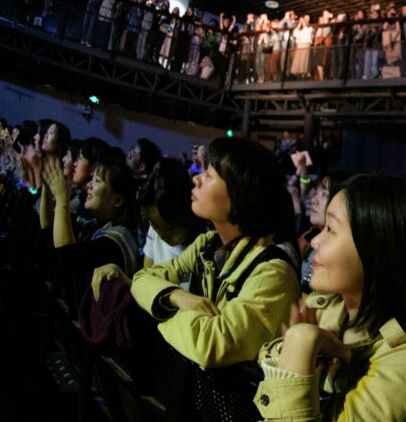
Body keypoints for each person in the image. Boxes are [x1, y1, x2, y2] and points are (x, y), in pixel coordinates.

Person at [253, 174, 406, 420]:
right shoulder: (324, 306)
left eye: (330, 229)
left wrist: (302, 341)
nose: (316, 240)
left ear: (378, 247)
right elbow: (266, 359)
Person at [129, 137, 300, 368]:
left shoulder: (273, 274)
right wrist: (175, 297)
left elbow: (210, 345)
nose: (196, 179)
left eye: (208, 175)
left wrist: (159, 309)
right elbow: (141, 279)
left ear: (240, 196)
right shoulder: (208, 244)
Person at [41, 150, 140, 306]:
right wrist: (47, 186)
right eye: (91, 179)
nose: (88, 185)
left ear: (118, 200)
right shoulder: (95, 226)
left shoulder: (114, 242)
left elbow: (66, 258)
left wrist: (62, 198)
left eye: (97, 181)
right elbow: (48, 230)